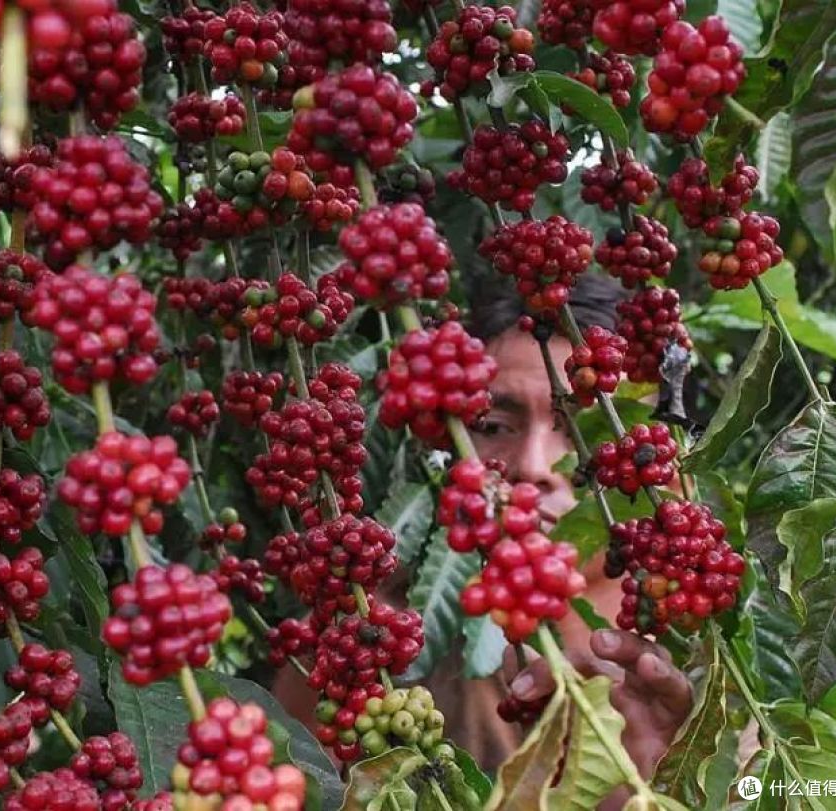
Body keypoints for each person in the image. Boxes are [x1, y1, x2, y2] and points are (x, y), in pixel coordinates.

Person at [273, 273, 692, 790]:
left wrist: (671, 774)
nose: (534, 466)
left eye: (586, 435)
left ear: (657, 463)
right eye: (493, 427)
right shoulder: (384, 635)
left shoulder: (703, 675)